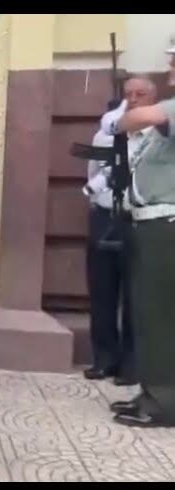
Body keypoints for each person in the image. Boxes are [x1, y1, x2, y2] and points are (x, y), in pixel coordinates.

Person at [101, 85, 175, 428]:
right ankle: (151, 392)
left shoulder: (169, 109)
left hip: (165, 224)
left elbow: (142, 116)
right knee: (147, 314)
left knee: (158, 317)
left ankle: (162, 401)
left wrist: (118, 121)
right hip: (151, 223)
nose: (172, 69)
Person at [82, 75, 158, 386]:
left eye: (141, 94)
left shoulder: (160, 136)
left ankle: (131, 364)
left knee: (135, 293)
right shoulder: (106, 134)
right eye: (129, 94)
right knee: (101, 291)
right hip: (105, 215)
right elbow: (94, 173)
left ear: (153, 99)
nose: (135, 99)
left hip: (140, 217)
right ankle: (104, 359)